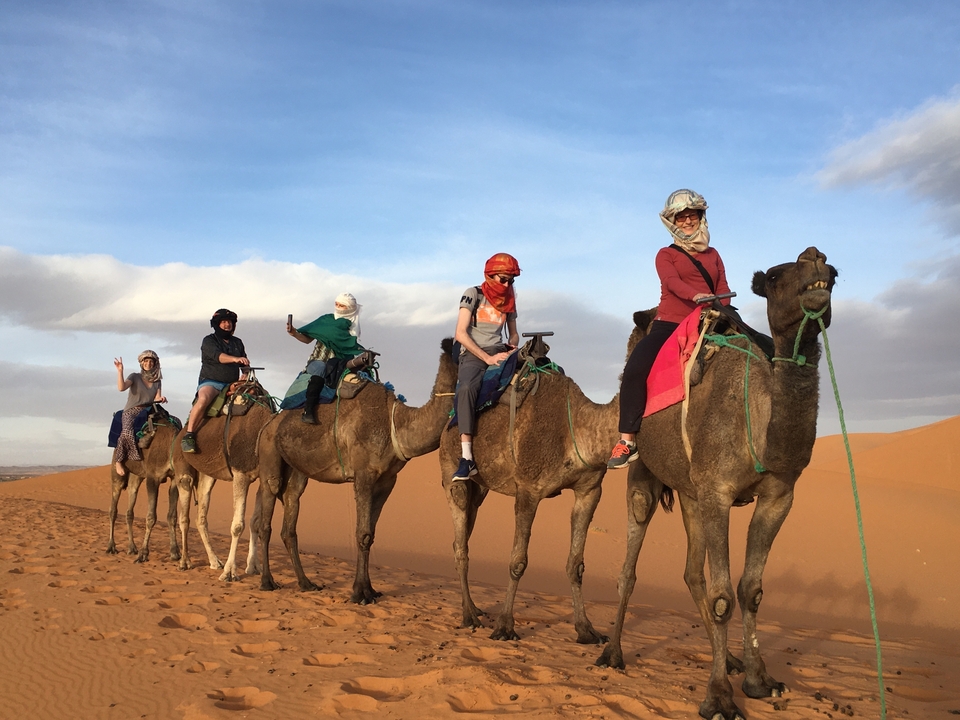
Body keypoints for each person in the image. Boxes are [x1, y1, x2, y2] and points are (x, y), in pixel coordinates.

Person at [608, 189, 732, 469]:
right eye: (682, 217)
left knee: (759, 349)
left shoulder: (714, 255)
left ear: (702, 217)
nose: (688, 221)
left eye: (693, 215)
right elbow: (672, 282)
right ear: (673, 222)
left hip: (711, 319)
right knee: (635, 370)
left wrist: (720, 304)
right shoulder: (666, 255)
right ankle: (627, 440)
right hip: (673, 324)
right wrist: (696, 297)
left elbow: (722, 286)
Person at [452, 253, 521, 481]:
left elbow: (513, 333)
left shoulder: (509, 298)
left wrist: (512, 346)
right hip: (472, 351)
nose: (506, 284)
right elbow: (460, 333)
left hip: (498, 349)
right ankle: (466, 457)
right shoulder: (473, 294)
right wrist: (487, 358)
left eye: (510, 280)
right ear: (490, 276)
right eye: (503, 279)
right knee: (467, 389)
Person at [286, 292, 374, 424]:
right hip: (318, 361)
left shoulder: (353, 329)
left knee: (362, 375)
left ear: (350, 308)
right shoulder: (326, 321)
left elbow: (351, 348)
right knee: (322, 369)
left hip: (340, 365)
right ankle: (308, 411)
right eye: (336, 304)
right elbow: (307, 339)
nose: (338, 307)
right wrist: (294, 333)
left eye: (342, 305)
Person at [181, 309, 250, 453]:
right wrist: (235, 359)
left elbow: (244, 363)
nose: (227, 325)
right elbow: (218, 356)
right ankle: (189, 434)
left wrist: (245, 372)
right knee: (204, 398)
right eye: (224, 322)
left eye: (229, 322)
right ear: (217, 324)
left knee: (254, 395)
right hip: (212, 382)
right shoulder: (209, 340)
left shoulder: (237, 343)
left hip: (232, 383)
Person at [113, 350, 166, 476]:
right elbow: (121, 388)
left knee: (171, 423)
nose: (148, 363)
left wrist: (161, 398)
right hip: (132, 410)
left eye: (151, 361)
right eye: (145, 361)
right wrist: (120, 371)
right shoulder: (134, 376)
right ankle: (118, 461)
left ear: (155, 364)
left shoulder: (157, 381)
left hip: (149, 410)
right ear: (141, 363)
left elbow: (156, 397)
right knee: (127, 431)